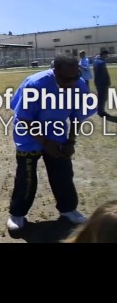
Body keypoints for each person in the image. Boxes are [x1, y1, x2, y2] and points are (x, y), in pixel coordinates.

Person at [6, 55, 97, 232]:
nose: (70, 82)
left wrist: (71, 142)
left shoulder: (79, 86)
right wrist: (45, 142)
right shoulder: (35, 84)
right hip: (28, 135)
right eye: (65, 78)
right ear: (55, 71)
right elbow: (24, 118)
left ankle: (68, 209)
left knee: (63, 173)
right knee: (27, 176)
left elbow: (77, 116)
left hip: (57, 133)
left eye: (75, 77)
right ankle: (17, 214)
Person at [93, 49, 112, 118]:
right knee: (103, 97)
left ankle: (99, 110)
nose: (107, 56)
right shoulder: (102, 62)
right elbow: (104, 74)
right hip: (102, 83)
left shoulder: (95, 61)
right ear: (104, 54)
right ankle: (101, 111)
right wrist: (107, 82)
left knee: (100, 97)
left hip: (97, 81)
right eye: (106, 55)